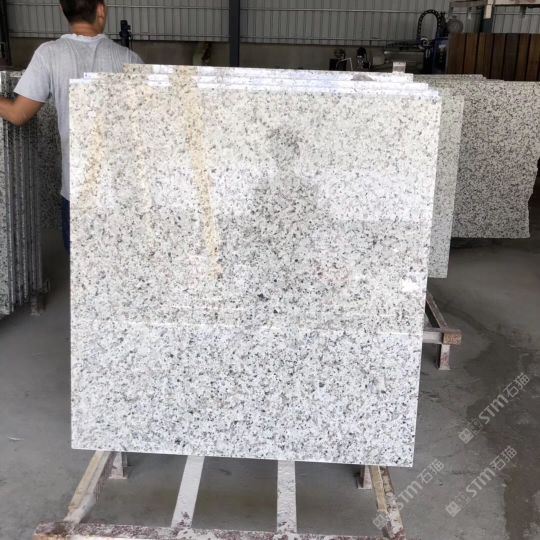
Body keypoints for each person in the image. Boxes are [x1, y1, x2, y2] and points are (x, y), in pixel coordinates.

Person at [0, 0, 143, 250]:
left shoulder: (49, 55)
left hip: (76, 188)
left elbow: (18, 114)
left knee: (79, 265)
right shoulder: (129, 60)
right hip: (121, 190)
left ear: (62, 9)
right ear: (101, 10)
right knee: (121, 259)